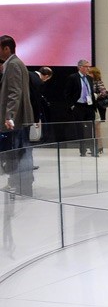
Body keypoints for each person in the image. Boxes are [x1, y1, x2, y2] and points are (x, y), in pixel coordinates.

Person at [0, 35, 35, 195]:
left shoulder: (13, 64)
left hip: (17, 119)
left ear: (6, 48)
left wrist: (9, 117)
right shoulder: (15, 63)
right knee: (20, 152)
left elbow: (14, 93)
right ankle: (20, 185)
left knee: (19, 152)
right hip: (20, 117)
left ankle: (22, 186)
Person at [64, 58, 97, 156]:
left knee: (90, 129)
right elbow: (67, 93)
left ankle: (93, 150)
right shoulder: (73, 77)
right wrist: (72, 106)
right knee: (80, 130)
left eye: (89, 66)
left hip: (89, 106)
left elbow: (91, 92)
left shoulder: (89, 78)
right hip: (78, 106)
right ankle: (82, 150)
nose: (88, 68)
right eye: (86, 66)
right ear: (80, 67)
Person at [29, 66, 52, 142]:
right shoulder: (39, 82)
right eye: (47, 79)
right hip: (29, 110)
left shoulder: (29, 74)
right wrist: (37, 118)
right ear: (46, 76)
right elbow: (36, 101)